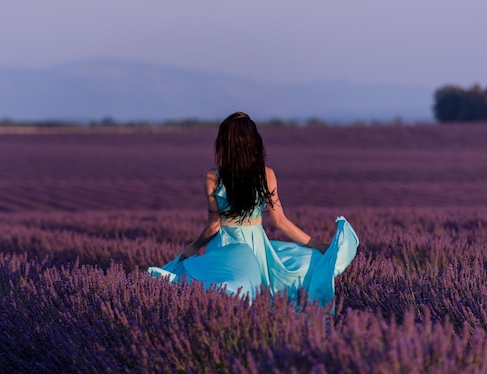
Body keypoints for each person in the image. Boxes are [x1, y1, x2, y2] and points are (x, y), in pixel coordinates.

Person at [147, 112, 358, 307]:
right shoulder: (266, 175)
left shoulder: (213, 176)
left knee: (225, 289)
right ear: (253, 143)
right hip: (256, 243)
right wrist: (318, 245)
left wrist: (193, 248)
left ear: (225, 143)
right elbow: (280, 222)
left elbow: (214, 225)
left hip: (223, 244)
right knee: (261, 294)